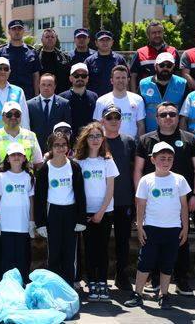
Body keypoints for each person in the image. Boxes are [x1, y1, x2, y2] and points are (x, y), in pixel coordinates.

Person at [133, 101, 195, 296]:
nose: (168, 118)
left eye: (172, 114)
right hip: (153, 199)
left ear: (177, 116)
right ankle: (154, 280)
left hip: (181, 199)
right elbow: (138, 169)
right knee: (152, 242)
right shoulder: (146, 140)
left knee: (181, 240)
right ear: (156, 118)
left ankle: (181, 280)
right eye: (163, 115)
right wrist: (140, 197)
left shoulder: (190, 139)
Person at [124, 142, 190, 310]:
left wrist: (185, 228)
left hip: (173, 229)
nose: (166, 162)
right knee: (145, 262)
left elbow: (184, 206)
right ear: (153, 160)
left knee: (168, 263)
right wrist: (140, 227)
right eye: (162, 158)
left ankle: (164, 295)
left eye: (169, 158)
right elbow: (141, 205)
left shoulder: (179, 180)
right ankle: (137, 294)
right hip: (151, 228)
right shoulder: (146, 180)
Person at [34, 132, 87, 287]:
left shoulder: (74, 167)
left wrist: (81, 219)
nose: (60, 148)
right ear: (50, 147)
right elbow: (39, 198)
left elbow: (80, 194)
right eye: (56, 145)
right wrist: (41, 223)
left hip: (70, 213)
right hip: (53, 213)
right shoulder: (45, 169)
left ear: (68, 147)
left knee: (70, 253)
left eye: (63, 144)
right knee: (54, 252)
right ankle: (54, 287)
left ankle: (69, 286)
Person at [73, 123, 119, 302]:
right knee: (89, 250)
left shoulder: (108, 161)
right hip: (86, 213)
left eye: (98, 136)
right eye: (91, 136)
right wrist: (83, 212)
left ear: (103, 139)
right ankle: (91, 282)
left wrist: (101, 212)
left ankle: (102, 283)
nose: (95, 140)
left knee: (102, 250)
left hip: (104, 213)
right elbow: (77, 190)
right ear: (86, 139)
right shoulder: (79, 162)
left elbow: (110, 189)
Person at [100, 104, 136, 291]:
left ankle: (121, 275)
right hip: (102, 200)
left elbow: (134, 170)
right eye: (109, 118)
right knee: (102, 241)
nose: (113, 121)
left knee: (123, 240)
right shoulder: (97, 141)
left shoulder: (129, 141)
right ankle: (101, 277)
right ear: (103, 120)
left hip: (124, 199)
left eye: (116, 117)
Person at [0, 143, 35, 282]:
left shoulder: (28, 177)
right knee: (6, 256)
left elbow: (31, 200)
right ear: (8, 159)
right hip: (6, 223)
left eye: (19, 154)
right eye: (13, 155)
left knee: (21, 256)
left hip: (22, 223)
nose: (16, 157)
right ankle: (7, 283)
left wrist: (32, 221)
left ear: (24, 158)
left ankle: (22, 282)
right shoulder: (1, 177)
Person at [0, 101, 43, 170]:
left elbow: (38, 164)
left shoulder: (31, 136)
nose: (13, 117)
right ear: (3, 117)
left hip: (26, 179)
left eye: (17, 114)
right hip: (1, 179)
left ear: (21, 116)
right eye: (9, 114)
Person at [139, 52, 189, 133]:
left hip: (174, 133)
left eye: (169, 66)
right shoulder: (143, 84)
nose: (165, 68)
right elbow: (139, 113)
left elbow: (185, 114)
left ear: (173, 67)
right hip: (150, 133)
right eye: (161, 65)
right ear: (155, 66)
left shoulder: (182, 84)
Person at [93, 65, 146, 139]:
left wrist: (141, 145)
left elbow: (141, 125)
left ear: (128, 80)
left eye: (123, 78)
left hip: (131, 144)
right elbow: (97, 125)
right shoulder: (101, 101)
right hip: (107, 143)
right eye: (117, 78)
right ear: (111, 80)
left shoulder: (138, 99)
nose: (121, 80)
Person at [0, 20, 42, 100]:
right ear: (9, 32)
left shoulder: (32, 52)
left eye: (19, 29)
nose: (17, 31)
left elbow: (36, 76)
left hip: (27, 94)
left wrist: (36, 97)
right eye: (14, 29)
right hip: (6, 93)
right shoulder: (1, 52)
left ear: (23, 31)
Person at [130, 20, 180, 93]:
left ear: (163, 33)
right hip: (146, 94)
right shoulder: (140, 53)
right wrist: (134, 95)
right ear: (148, 35)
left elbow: (179, 74)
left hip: (170, 93)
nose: (157, 35)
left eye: (159, 32)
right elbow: (133, 76)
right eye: (154, 33)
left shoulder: (173, 51)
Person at [0, 57, 30, 134]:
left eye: (6, 69)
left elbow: (24, 118)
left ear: (9, 71)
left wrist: (26, 137)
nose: (2, 71)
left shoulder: (18, 91)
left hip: (14, 139)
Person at [27, 73, 72, 152]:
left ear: (55, 86)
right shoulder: (30, 105)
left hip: (57, 148)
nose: (46, 87)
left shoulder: (64, 104)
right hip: (36, 148)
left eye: (49, 85)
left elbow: (67, 128)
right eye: (43, 85)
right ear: (39, 85)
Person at [58, 63, 98, 135]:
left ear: (87, 78)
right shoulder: (62, 98)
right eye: (76, 76)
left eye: (84, 76)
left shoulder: (94, 97)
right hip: (69, 141)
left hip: (89, 140)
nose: (80, 78)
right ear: (71, 78)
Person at [84, 31, 128, 96]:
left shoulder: (120, 59)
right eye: (101, 40)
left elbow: (127, 79)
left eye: (107, 40)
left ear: (112, 42)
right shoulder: (89, 61)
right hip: (95, 99)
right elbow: (84, 81)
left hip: (115, 98)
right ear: (96, 43)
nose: (105, 43)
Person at [38, 28, 72, 94]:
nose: (50, 39)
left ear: (56, 39)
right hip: (41, 96)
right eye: (47, 37)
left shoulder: (65, 57)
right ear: (42, 40)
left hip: (61, 95)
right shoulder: (35, 57)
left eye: (52, 37)